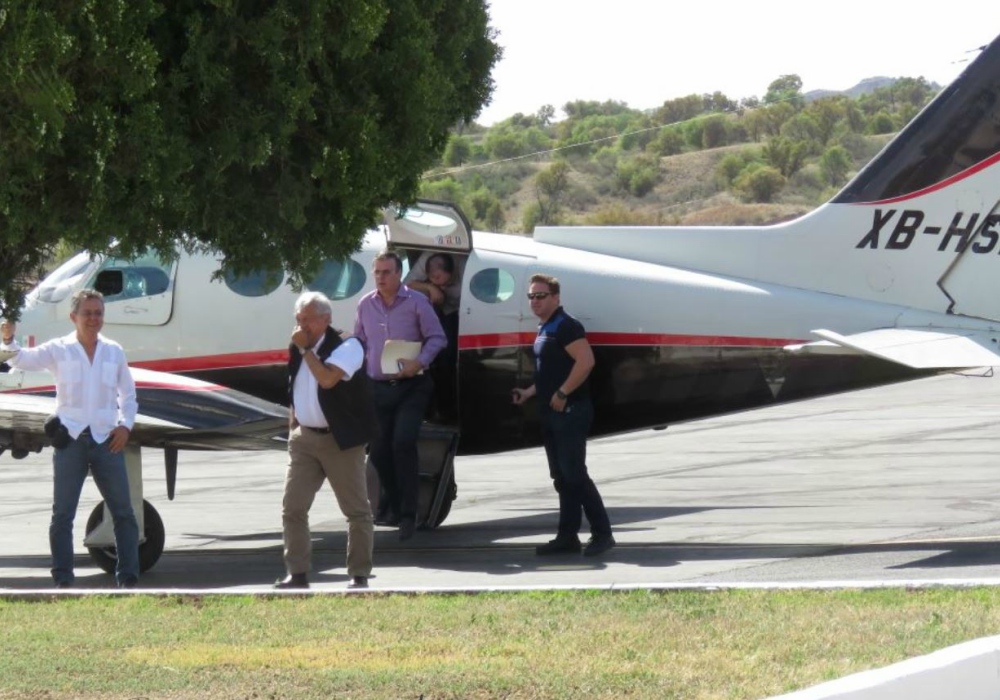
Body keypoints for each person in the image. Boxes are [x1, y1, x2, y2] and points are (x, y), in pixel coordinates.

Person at [0, 290, 140, 588]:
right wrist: (9, 339)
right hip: (71, 441)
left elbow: (128, 394)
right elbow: (21, 359)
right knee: (62, 515)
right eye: (87, 313)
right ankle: (63, 580)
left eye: (98, 313)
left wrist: (125, 426)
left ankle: (128, 579)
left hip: (106, 441)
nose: (93, 319)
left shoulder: (113, 351)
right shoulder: (59, 349)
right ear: (73, 317)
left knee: (124, 512)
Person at [276, 292, 378, 590]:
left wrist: (307, 349)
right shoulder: (299, 345)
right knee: (293, 507)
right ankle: (297, 573)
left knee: (356, 511)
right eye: (298, 319)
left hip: (340, 440)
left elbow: (327, 379)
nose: (301, 325)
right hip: (305, 438)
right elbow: (295, 383)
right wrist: (293, 423)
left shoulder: (349, 345)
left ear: (326, 319)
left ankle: (358, 575)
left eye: (306, 319)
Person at [511, 274, 615, 557]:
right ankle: (567, 537)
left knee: (575, 475)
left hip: (570, 411)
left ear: (556, 297)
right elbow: (550, 371)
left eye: (541, 296)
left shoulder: (566, 326)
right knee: (561, 477)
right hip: (550, 411)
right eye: (531, 296)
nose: (535, 301)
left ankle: (603, 534)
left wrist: (563, 393)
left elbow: (586, 361)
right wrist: (531, 392)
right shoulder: (546, 327)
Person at [354, 250, 446, 540]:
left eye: (386, 272)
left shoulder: (417, 302)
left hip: (412, 386)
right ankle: (393, 504)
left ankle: (409, 514)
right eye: (377, 272)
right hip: (378, 388)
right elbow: (359, 341)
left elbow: (437, 337)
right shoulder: (365, 305)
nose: (380, 277)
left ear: (398, 274)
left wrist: (419, 362)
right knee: (379, 452)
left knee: (403, 442)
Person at [403, 251, 461, 420]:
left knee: (448, 359)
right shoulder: (426, 260)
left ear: (450, 273)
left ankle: (447, 410)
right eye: (432, 278)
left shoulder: (463, 269)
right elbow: (406, 285)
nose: (438, 283)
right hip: (434, 310)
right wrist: (430, 287)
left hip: (455, 311)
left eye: (440, 279)